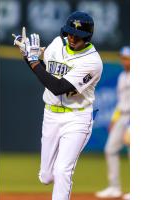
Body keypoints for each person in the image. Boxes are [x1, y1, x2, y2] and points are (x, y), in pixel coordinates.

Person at [12, 11, 103, 200]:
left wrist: (33, 60)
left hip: (77, 118)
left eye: (77, 35)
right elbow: (43, 72)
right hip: (51, 115)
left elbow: (58, 87)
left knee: (62, 171)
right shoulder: (56, 44)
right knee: (46, 176)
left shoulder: (92, 61)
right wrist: (28, 57)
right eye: (69, 33)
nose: (71, 37)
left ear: (87, 37)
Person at [95, 46, 130, 198]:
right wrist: (114, 119)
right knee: (110, 149)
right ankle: (114, 187)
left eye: (127, 58)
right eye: (122, 57)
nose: (124, 60)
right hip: (122, 116)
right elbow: (121, 101)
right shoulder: (122, 76)